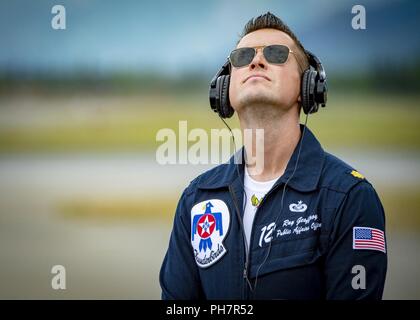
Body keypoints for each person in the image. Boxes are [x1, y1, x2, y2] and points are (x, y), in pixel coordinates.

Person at [159, 12, 387, 299]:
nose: (255, 61)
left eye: (276, 54)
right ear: (223, 91)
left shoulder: (350, 197)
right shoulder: (197, 199)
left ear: (308, 87)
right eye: (242, 57)